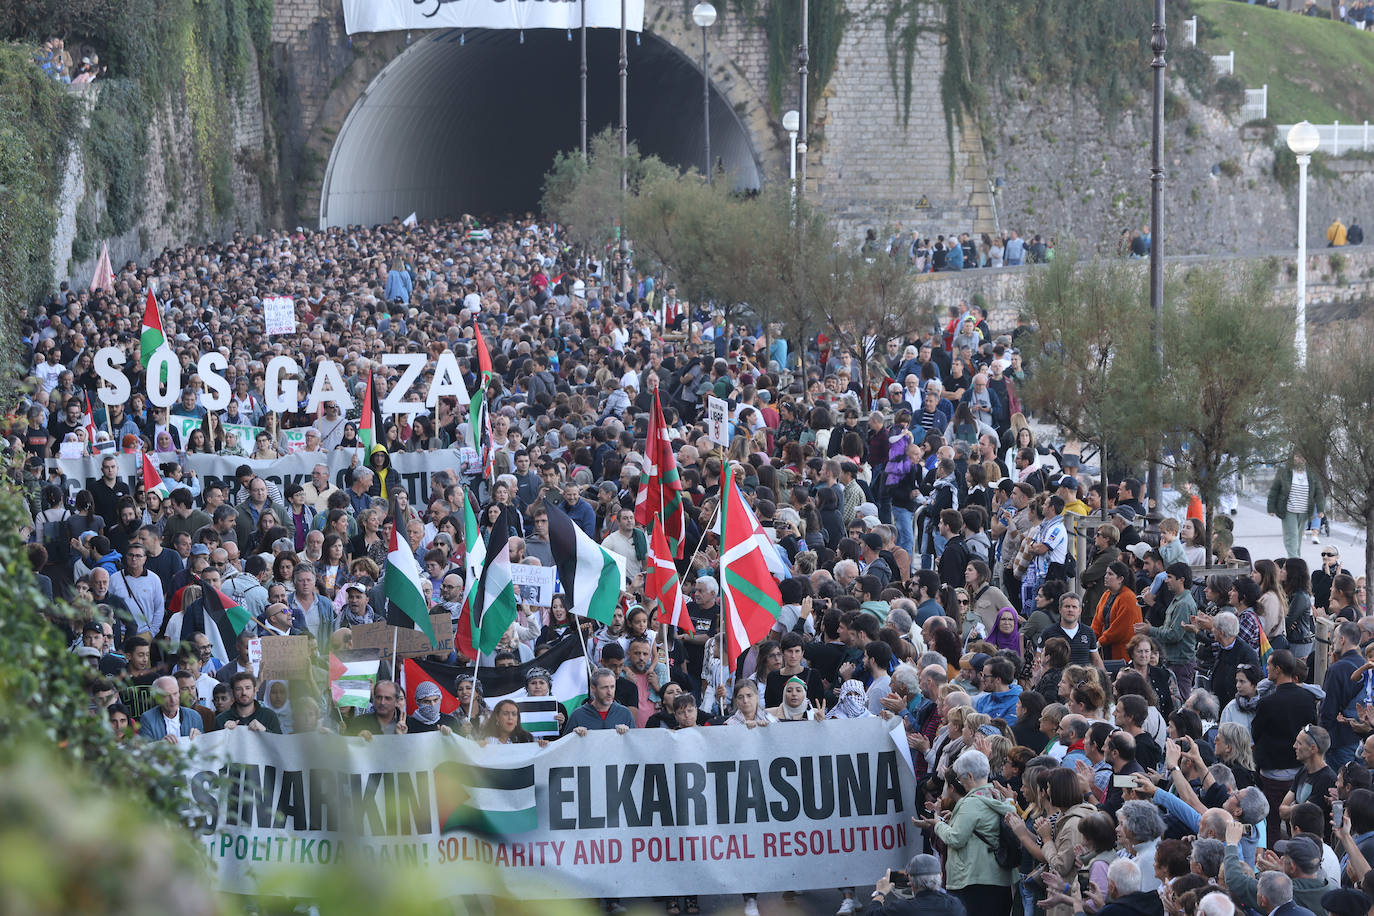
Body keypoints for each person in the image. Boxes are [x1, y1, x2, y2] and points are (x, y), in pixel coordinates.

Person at [915, 749, 1014, 916]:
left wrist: (938, 824)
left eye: (960, 777)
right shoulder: (996, 796)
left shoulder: (971, 803)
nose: (960, 782)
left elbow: (955, 838)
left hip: (974, 879)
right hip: (998, 877)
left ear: (969, 776)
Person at [866, 853, 967, 916]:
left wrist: (880, 893)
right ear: (940, 876)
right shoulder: (955, 905)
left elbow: (871, 914)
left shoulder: (902, 908)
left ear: (911, 880)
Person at [1268, 454, 1326, 559]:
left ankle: (1297, 558)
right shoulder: (1284, 472)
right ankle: (1293, 559)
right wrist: (1271, 507)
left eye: (1303, 456)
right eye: (1297, 456)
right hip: (1288, 510)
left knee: (1298, 537)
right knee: (1292, 536)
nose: (1300, 459)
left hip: (1304, 511)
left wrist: (1321, 509)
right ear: (1293, 457)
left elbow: (1319, 492)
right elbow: (1274, 490)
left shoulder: (1312, 473)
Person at [568, 668, 635, 734]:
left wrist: (627, 734)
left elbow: (633, 742)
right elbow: (566, 743)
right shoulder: (577, 715)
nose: (609, 692)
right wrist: (574, 736)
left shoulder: (625, 714)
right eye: (604, 687)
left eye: (612, 687)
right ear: (593, 688)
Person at [138, 675, 202, 742]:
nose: (173, 700)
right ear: (157, 698)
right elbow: (145, 749)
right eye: (166, 696)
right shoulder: (147, 719)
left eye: (175, 693)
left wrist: (200, 738)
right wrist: (160, 745)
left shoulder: (194, 716)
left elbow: (203, 747)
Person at [215, 671, 282, 733]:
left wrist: (264, 731)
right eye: (238, 689)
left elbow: (280, 744)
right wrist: (223, 733)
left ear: (255, 690)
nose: (244, 692)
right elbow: (213, 745)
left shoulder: (269, 716)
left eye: (248, 688)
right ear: (232, 692)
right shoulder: (221, 720)